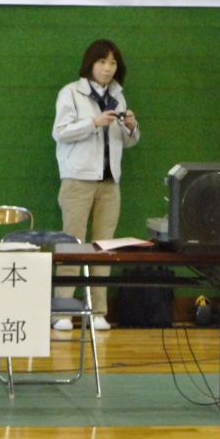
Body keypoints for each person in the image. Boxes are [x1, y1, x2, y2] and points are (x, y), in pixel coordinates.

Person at [51, 39, 141, 331]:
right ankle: (62, 312)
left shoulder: (118, 97)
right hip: (77, 179)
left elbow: (127, 141)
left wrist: (131, 127)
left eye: (113, 63)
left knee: (103, 248)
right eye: (102, 62)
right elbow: (60, 132)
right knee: (72, 246)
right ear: (90, 64)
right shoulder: (71, 92)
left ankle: (97, 312)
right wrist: (93, 122)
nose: (107, 68)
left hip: (109, 181)